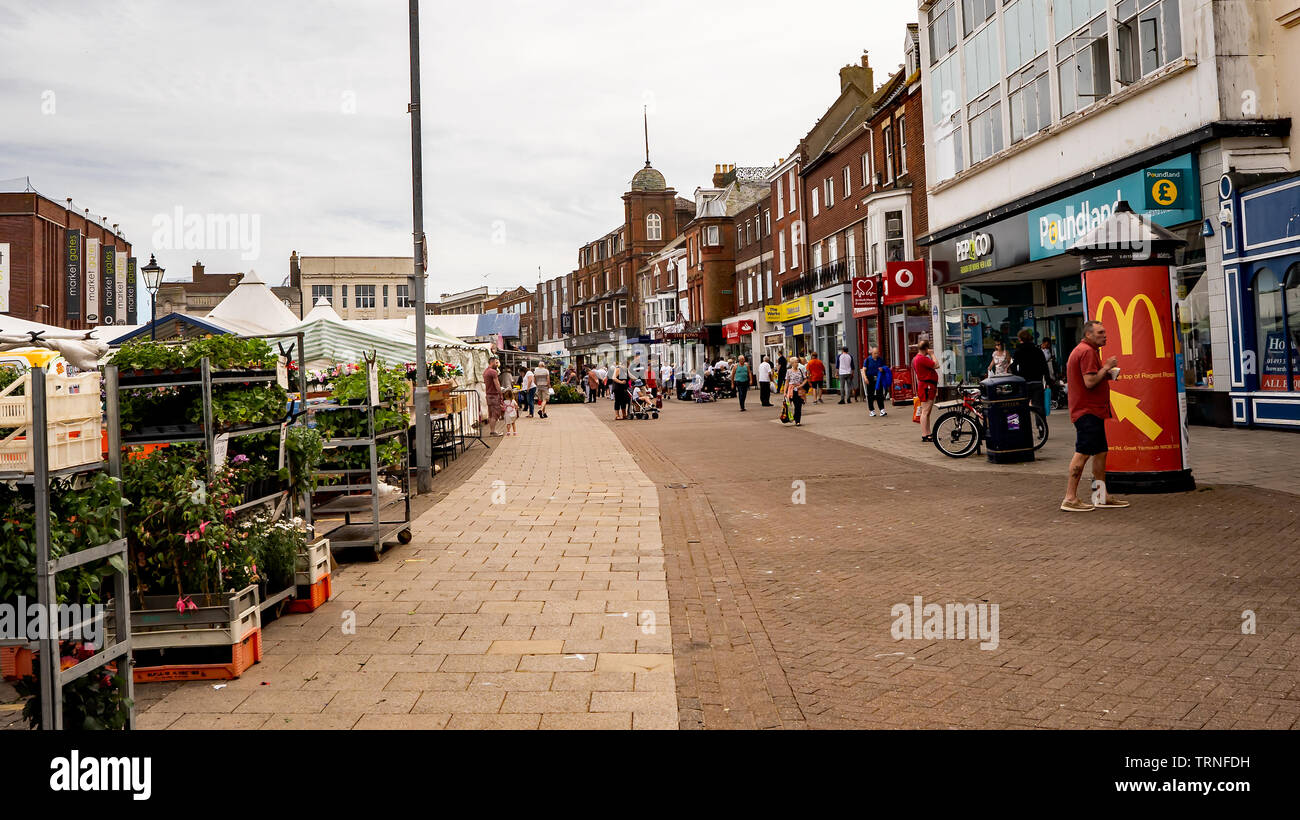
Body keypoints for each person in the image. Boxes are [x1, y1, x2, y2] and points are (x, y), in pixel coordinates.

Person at [1061, 321, 1130, 512]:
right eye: (1100, 332)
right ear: (1088, 334)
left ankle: (1100, 496)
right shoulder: (1087, 352)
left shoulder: (1085, 350)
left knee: (1100, 452)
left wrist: (1106, 374)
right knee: (1083, 452)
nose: (1105, 335)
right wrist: (1107, 367)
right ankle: (1070, 497)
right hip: (1087, 411)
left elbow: (1090, 378)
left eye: (1105, 331)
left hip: (1092, 410)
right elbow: (1090, 382)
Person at [1012, 327, 1049, 415]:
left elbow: (1014, 367)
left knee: (1023, 408)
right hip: (1037, 382)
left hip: (1024, 382)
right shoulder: (1038, 350)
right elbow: (1044, 367)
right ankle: (1041, 426)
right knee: (1039, 408)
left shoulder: (1019, 351)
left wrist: (1016, 377)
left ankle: (1025, 426)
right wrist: (1047, 381)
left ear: (1020, 339)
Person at [912, 340, 939, 442]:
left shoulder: (916, 358)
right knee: (925, 411)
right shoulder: (922, 358)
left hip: (926, 386)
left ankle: (928, 433)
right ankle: (925, 434)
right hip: (927, 386)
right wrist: (932, 354)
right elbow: (936, 365)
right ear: (926, 349)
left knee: (927, 412)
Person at [862, 346, 886, 416]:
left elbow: (884, 367)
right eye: (875, 353)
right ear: (872, 353)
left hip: (879, 378)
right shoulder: (868, 360)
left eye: (877, 353)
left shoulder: (880, 359)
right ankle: (871, 410)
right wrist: (865, 378)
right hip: (870, 378)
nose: (876, 355)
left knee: (880, 394)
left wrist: (882, 369)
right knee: (870, 395)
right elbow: (864, 369)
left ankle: (882, 409)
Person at [784, 356, 808, 427]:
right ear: (792, 363)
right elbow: (786, 382)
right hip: (791, 390)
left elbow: (805, 379)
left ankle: (797, 421)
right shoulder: (789, 371)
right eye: (795, 362)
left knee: (798, 405)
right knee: (790, 404)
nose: (797, 363)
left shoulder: (800, 370)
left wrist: (801, 385)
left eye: (797, 362)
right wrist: (785, 392)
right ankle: (792, 417)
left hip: (799, 390)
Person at [484, 356, 505, 437]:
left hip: (488, 394)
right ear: (491, 362)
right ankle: (493, 432)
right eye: (496, 363)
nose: (497, 365)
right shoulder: (493, 372)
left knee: (490, 413)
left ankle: (492, 430)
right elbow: (497, 384)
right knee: (495, 414)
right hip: (494, 395)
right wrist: (501, 394)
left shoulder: (485, 371)